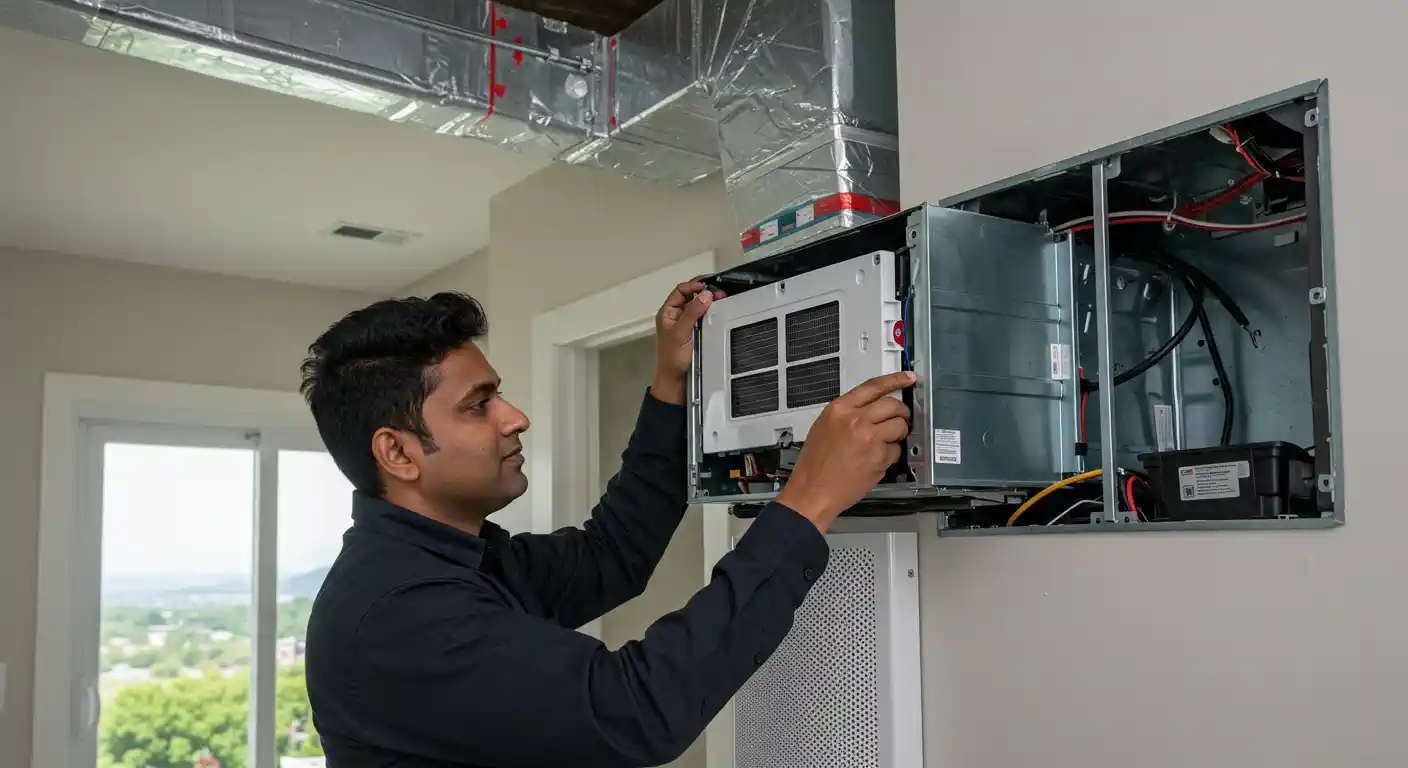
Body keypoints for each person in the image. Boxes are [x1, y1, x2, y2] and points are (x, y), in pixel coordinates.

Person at [300, 282, 915, 767]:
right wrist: (806, 502)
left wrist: (672, 386)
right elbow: (633, 710)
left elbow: (611, 553)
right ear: (399, 453)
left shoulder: (460, 561)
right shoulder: (399, 612)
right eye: (478, 405)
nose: (515, 418)